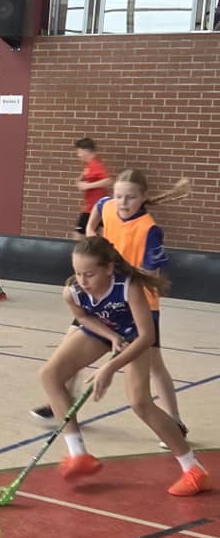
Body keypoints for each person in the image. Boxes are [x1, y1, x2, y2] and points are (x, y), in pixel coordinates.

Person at [39, 236, 210, 496]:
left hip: (135, 335)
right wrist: (110, 337)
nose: (82, 281)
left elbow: (147, 337)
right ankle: (78, 454)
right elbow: (83, 317)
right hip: (104, 328)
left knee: (140, 403)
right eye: (77, 273)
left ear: (109, 268)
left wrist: (109, 368)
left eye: (89, 274)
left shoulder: (129, 287)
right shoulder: (72, 292)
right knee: (50, 375)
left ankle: (193, 470)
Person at [29, 171, 190, 446]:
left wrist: (115, 270)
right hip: (99, 293)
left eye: (130, 197)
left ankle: (175, 420)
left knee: (154, 364)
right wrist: (96, 249)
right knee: (70, 345)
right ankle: (62, 401)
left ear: (143, 197)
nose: (123, 202)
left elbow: (150, 273)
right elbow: (92, 224)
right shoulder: (106, 205)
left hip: (136, 302)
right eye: (119, 196)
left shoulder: (150, 230)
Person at [72, 137, 112, 239]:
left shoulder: (95, 164)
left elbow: (108, 180)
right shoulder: (89, 166)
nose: (78, 155)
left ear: (85, 151)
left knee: (78, 235)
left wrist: (87, 186)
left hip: (92, 208)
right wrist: (80, 180)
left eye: (79, 152)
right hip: (93, 207)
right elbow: (80, 182)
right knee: (101, 234)